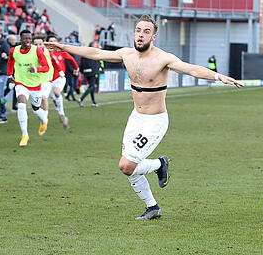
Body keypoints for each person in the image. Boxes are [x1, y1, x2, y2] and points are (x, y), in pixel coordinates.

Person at [46, 15, 242, 220]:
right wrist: (64, 47)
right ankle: (152, 207)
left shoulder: (163, 58)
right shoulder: (126, 54)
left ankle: (159, 164)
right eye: (138, 30)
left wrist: (218, 76)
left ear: (153, 36)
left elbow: (190, 68)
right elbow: (96, 53)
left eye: (146, 32)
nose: (141, 35)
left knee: (126, 165)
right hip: (136, 118)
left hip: (155, 122)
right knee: (128, 169)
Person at [7, 29, 50, 146]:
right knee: (21, 104)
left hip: (35, 85)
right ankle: (24, 135)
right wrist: (10, 74)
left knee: (36, 109)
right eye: (25, 39)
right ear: (20, 39)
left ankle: (44, 120)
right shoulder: (14, 50)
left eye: (29, 39)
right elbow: (10, 61)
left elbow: (46, 67)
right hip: (21, 83)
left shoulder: (37, 51)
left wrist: (36, 69)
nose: (27, 41)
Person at [46, 34, 79, 129]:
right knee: (54, 100)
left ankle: (62, 114)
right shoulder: (44, 53)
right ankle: (62, 115)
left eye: (54, 41)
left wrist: (76, 68)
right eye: (50, 41)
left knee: (57, 92)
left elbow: (71, 59)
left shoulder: (60, 52)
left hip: (60, 78)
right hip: (48, 80)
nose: (52, 43)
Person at [78, 41, 103, 107]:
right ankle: (81, 99)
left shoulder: (85, 53)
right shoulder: (94, 52)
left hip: (87, 72)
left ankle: (93, 102)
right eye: (95, 44)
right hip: (93, 71)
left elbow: (81, 63)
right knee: (92, 86)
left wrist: (82, 72)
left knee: (91, 86)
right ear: (92, 45)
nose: (97, 45)